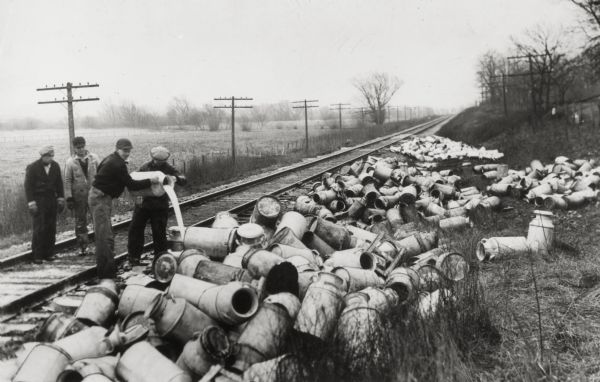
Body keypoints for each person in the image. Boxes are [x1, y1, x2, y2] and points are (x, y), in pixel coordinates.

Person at [89, 138, 160, 279]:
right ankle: (107, 274)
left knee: (105, 234)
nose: (127, 153)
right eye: (124, 150)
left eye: (129, 150)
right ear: (117, 149)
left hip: (100, 197)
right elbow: (131, 185)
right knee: (105, 237)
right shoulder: (118, 164)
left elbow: (102, 173)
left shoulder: (110, 158)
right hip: (100, 198)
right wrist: (150, 181)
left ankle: (107, 270)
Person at [127, 146, 187, 268]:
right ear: (152, 158)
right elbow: (135, 180)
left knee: (159, 233)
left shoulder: (169, 169)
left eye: (161, 161)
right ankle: (133, 258)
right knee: (135, 230)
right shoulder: (145, 167)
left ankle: (160, 259)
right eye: (156, 160)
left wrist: (177, 178)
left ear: (165, 160)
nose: (158, 163)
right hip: (144, 203)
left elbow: (183, 179)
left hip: (160, 206)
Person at [24, 146, 65, 264]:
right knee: (39, 227)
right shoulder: (33, 167)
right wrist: (31, 203)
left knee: (51, 227)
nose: (50, 159)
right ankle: (37, 255)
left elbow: (59, 183)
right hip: (39, 201)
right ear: (42, 156)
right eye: (47, 156)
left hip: (52, 200)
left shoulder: (56, 166)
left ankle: (49, 253)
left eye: (51, 156)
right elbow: (28, 186)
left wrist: (61, 198)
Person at [64, 136, 100, 256]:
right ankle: (83, 246)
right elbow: (68, 180)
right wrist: (69, 197)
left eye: (82, 146)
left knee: (98, 218)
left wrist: (102, 189)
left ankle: (100, 244)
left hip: (94, 194)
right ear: (74, 148)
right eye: (78, 147)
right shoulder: (70, 162)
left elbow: (101, 173)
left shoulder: (94, 158)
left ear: (85, 145)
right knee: (80, 221)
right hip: (79, 196)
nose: (81, 149)